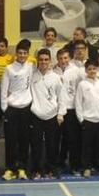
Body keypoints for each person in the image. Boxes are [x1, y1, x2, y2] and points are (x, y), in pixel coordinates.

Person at [0, 39, 34, 181]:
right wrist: (5, 109)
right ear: (16, 54)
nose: (22, 55)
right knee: (11, 141)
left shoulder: (32, 67)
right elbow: (3, 89)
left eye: (24, 53)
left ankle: (22, 168)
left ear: (27, 54)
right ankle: (10, 169)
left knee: (24, 141)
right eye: (20, 53)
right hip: (12, 109)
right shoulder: (9, 69)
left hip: (26, 109)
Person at [29, 49, 64, 179]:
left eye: (46, 59)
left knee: (52, 144)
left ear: (50, 61)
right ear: (37, 60)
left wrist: (60, 114)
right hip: (35, 114)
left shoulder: (56, 78)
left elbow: (62, 97)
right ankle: (36, 170)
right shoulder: (32, 76)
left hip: (52, 115)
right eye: (41, 59)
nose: (43, 62)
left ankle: (51, 169)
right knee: (36, 144)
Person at [75, 60, 99, 178]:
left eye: (94, 69)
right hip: (88, 120)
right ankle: (87, 168)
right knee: (87, 146)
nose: (92, 71)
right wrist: (81, 119)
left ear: (97, 70)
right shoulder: (82, 84)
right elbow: (78, 103)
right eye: (89, 69)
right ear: (86, 71)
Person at [56, 47, 84, 175]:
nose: (63, 60)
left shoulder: (77, 71)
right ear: (57, 59)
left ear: (69, 58)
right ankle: (59, 164)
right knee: (59, 139)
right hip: (56, 111)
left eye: (66, 58)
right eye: (61, 58)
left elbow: (82, 89)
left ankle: (75, 166)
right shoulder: (52, 71)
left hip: (72, 109)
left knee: (74, 140)